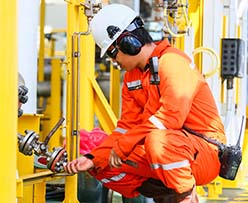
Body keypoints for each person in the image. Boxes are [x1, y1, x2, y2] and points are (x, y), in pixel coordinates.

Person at [64, 4, 226, 203]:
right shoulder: (132, 78)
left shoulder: (173, 62)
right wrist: (92, 158)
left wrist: (125, 144)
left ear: (128, 43)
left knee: (158, 141)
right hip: (166, 150)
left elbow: (170, 118)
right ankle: (166, 195)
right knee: (101, 160)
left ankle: (186, 197)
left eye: (112, 54)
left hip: (204, 154)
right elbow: (126, 128)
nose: (113, 62)